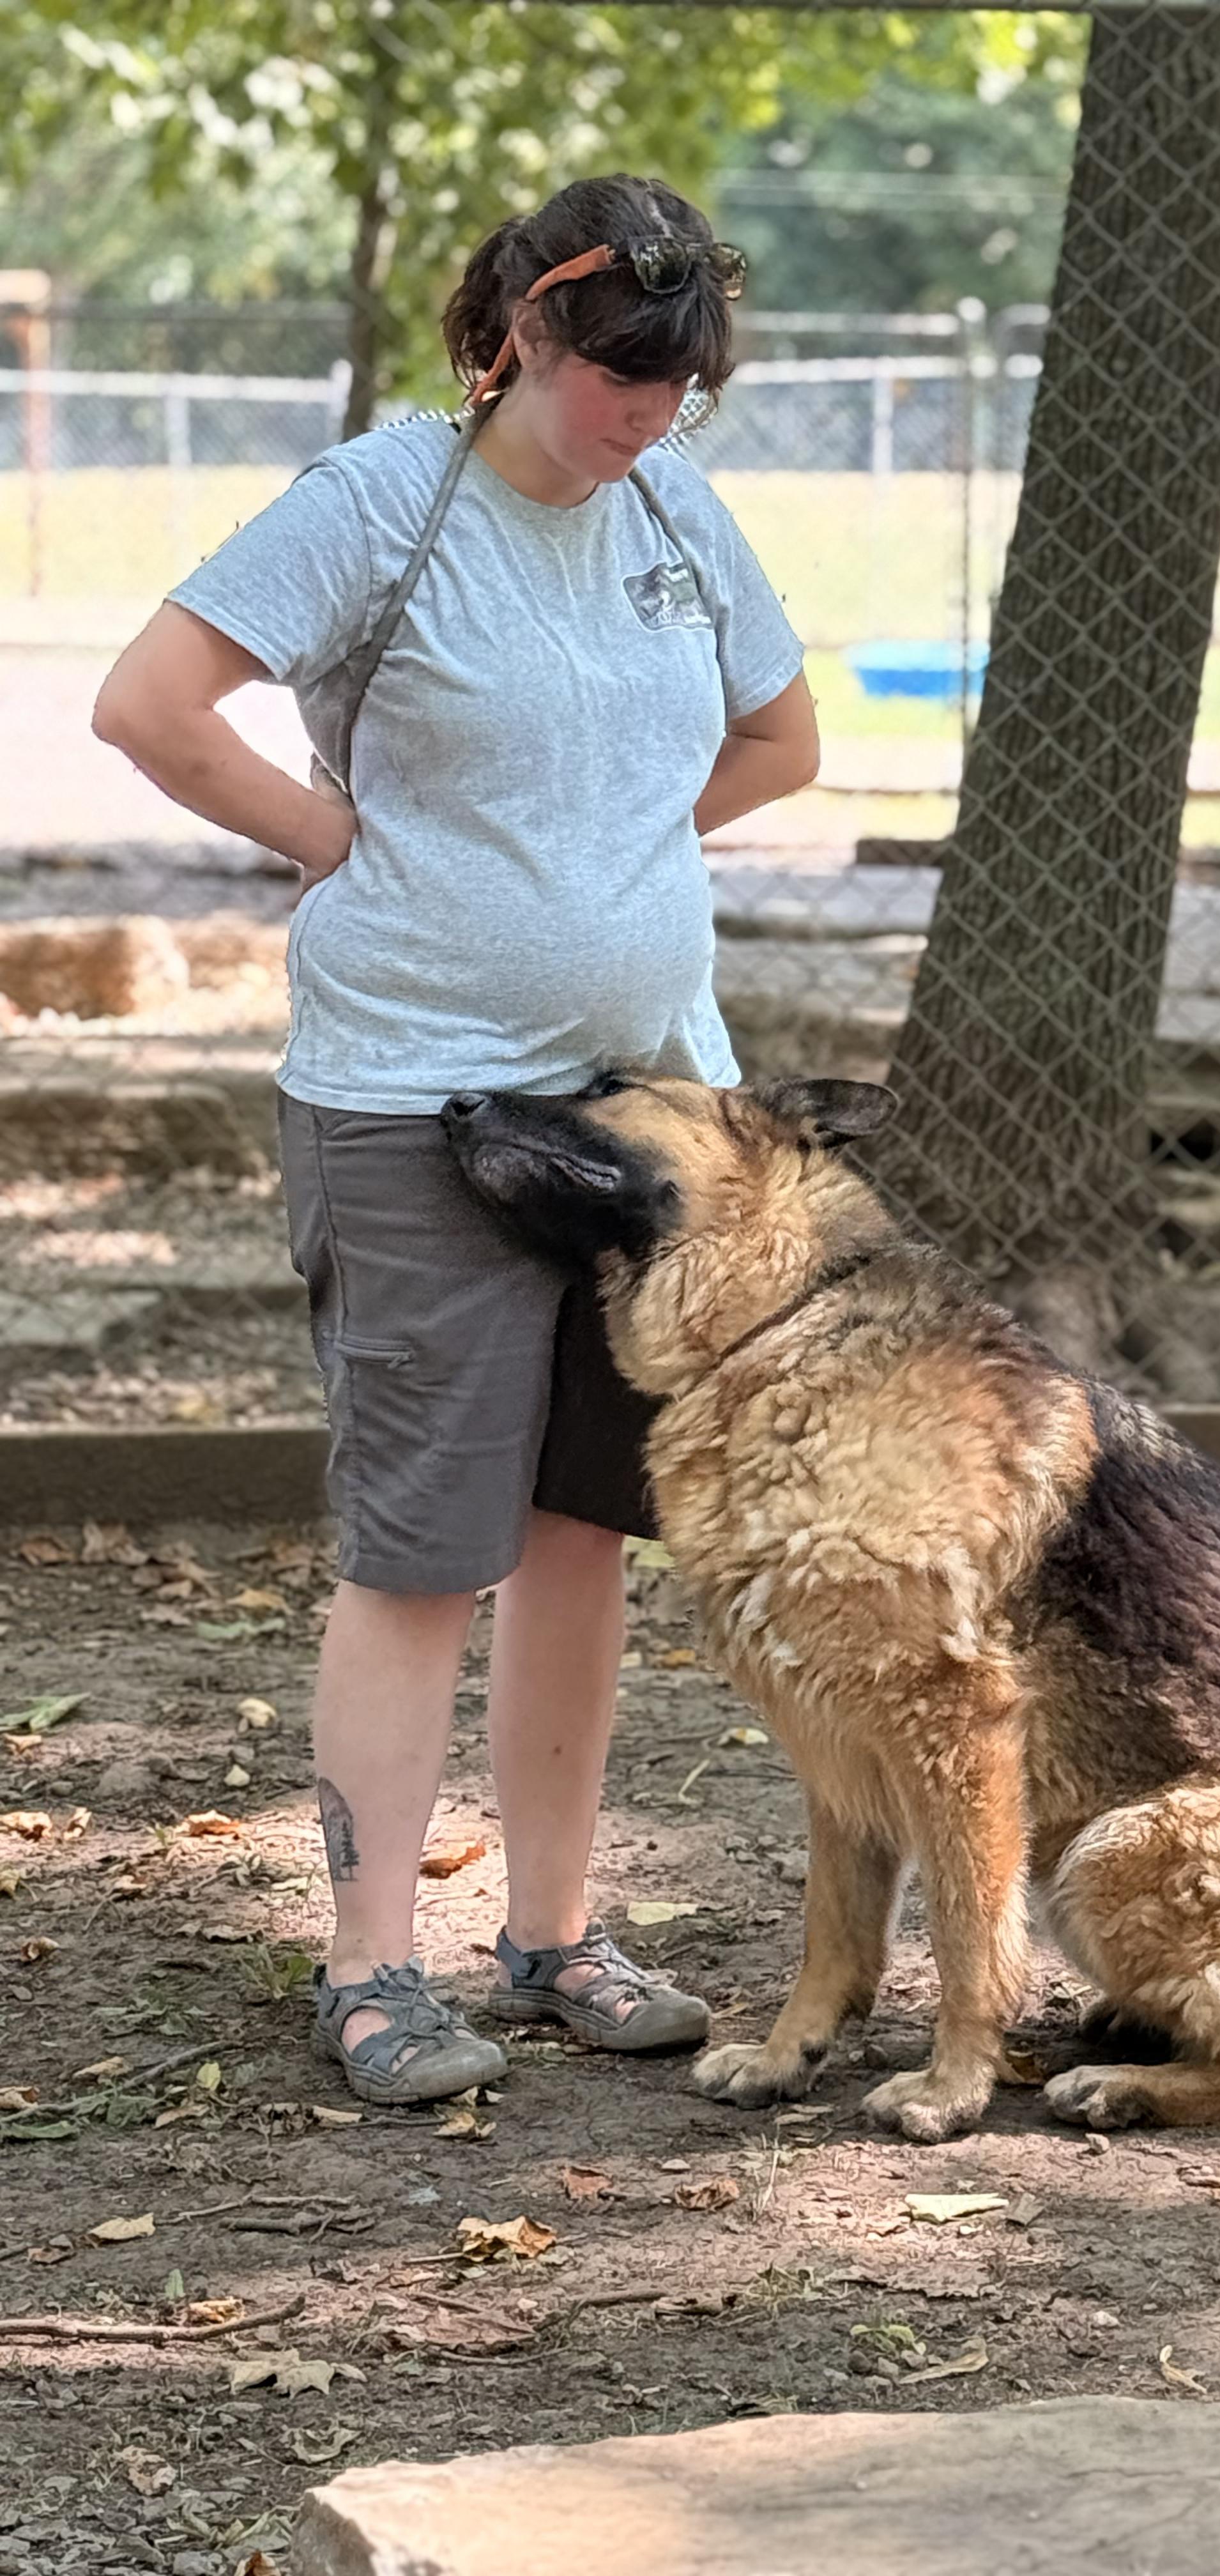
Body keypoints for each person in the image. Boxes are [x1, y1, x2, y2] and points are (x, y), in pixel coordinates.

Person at [92, 173, 818, 2105]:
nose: (646, 417)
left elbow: (782, 743)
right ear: (521, 340)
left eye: (681, 387)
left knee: (584, 1533)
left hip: (645, 1108)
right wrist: (341, 844)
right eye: (615, 379)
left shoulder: (677, 513)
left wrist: (605, 864)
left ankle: (559, 1934)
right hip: (414, 1101)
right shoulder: (379, 506)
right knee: (428, 1549)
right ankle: (366, 1970)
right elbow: (151, 706)